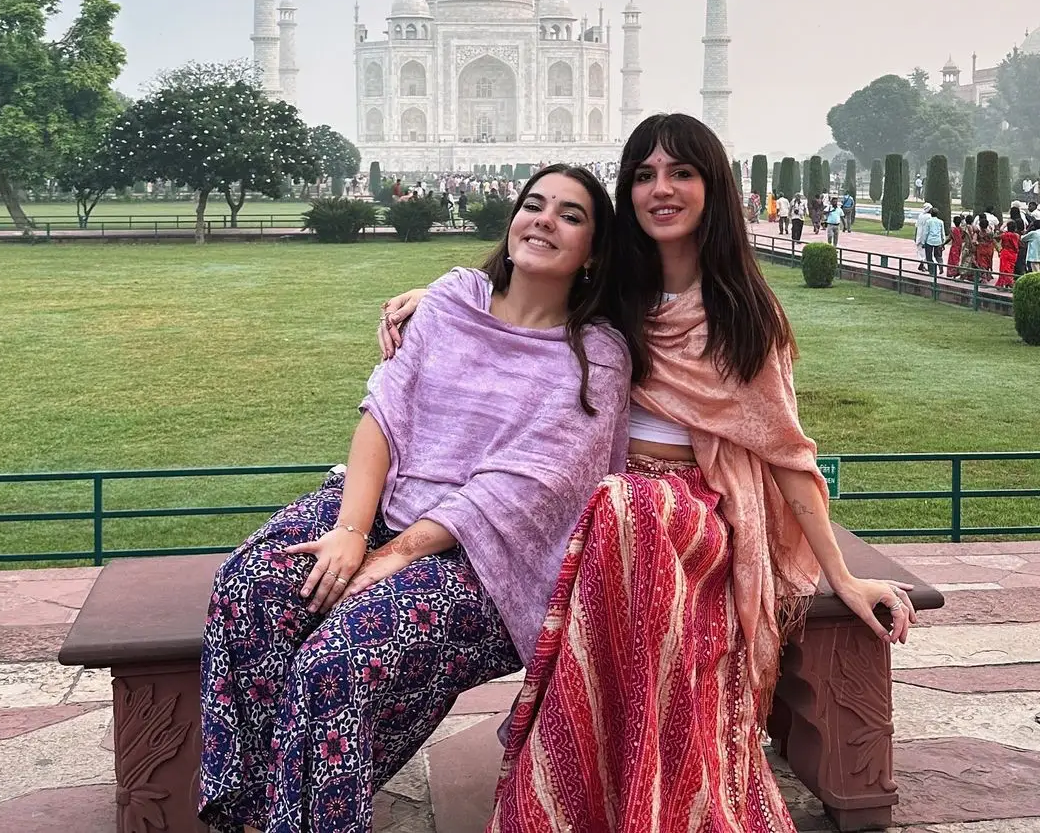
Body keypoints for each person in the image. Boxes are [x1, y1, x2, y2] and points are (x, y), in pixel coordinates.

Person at [381, 115, 915, 830]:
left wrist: (842, 577)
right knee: (614, 508)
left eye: (680, 173)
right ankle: (590, 779)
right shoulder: (613, 294)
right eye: (643, 175)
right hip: (592, 499)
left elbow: (789, 456)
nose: (660, 189)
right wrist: (439, 295)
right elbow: (522, 281)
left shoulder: (742, 316)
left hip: (688, 507)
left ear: (712, 188)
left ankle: (648, 789)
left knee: (629, 511)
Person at [198, 166, 632, 833]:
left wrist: (392, 555)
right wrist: (351, 530)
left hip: (483, 560)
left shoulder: (595, 357)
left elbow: (519, 491)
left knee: (335, 662)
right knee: (248, 590)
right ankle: (261, 814)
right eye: (533, 205)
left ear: (594, 252)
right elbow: (384, 412)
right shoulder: (452, 300)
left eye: (570, 215)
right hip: (381, 508)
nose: (544, 219)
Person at [996, 220, 1021, 289]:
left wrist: (1002, 228)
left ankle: (1007, 283)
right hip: (1013, 254)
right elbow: (1019, 244)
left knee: (1004, 269)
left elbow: (996, 237)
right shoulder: (1017, 235)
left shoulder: (1005, 235)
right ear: (1015, 228)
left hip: (1005, 253)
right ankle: (1007, 284)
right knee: (1010, 269)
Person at [975, 213, 997, 284]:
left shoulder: (979, 232)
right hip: (989, 249)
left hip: (981, 249)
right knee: (988, 262)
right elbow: (994, 240)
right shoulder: (990, 231)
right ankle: (988, 275)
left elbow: (974, 241)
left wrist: (977, 243)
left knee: (982, 264)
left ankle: (984, 279)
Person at [923, 207, 946, 274]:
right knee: (938, 256)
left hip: (929, 241)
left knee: (929, 257)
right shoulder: (940, 222)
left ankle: (932, 271)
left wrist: (924, 241)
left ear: (931, 213)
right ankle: (940, 265)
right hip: (938, 241)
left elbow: (926, 232)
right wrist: (943, 242)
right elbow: (942, 233)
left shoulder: (928, 221)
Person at [914, 203, 932, 272]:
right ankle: (923, 264)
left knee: (920, 251)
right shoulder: (929, 217)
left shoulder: (920, 215)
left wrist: (915, 236)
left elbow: (916, 226)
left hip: (919, 235)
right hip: (925, 236)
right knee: (925, 252)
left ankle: (922, 264)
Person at [946, 214, 965, 278]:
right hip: (959, 246)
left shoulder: (953, 230)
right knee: (956, 259)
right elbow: (962, 237)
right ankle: (955, 273)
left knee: (952, 260)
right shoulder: (961, 229)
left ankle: (953, 273)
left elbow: (949, 238)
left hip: (954, 246)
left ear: (954, 222)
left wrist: (943, 244)